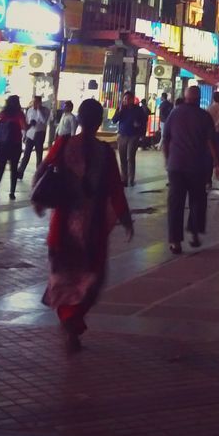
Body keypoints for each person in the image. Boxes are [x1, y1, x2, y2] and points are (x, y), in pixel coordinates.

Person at [38, 98, 133, 353]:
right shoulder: (105, 152)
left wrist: (38, 199)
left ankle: (69, 320)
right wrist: (124, 218)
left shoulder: (64, 143)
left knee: (63, 279)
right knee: (91, 280)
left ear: (79, 119)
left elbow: (43, 171)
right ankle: (73, 321)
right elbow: (115, 188)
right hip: (92, 230)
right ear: (99, 121)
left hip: (63, 227)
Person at [162, 85, 219, 253]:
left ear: (185, 97)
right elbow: (211, 142)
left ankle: (175, 241)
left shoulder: (174, 114)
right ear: (199, 98)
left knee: (175, 203)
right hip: (196, 166)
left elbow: (166, 139)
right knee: (197, 201)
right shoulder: (204, 116)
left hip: (176, 166)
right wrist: (217, 164)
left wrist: (167, 160)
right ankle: (194, 232)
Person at [0, 95, 25, 203]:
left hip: (1, 145)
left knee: (0, 170)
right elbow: (24, 127)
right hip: (15, 145)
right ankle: (12, 193)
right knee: (14, 169)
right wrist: (32, 124)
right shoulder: (19, 114)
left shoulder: (3, 113)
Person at [111, 91, 147, 187]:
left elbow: (143, 122)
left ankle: (131, 179)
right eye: (125, 99)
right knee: (122, 158)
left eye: (128, 99)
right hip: (122, 135)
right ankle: (124, 179)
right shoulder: (121, 109)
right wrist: (119, 111)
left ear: (132, 99)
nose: (126, 100)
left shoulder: (138, 110)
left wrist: (141, 132)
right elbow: (114, 120)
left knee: (130, 157)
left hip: (133, 136)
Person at [17, 95, 50, 180]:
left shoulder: (45, 110)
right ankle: (20, 172)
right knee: (26, 154)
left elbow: (43, 121)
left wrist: (38, 110)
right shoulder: (29, 111)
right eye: (33, 102)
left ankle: (39, 174)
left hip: (40, 134)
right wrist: (24, 135)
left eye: (36, 102)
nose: (34, 104)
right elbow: (26, 122)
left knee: (39, 155)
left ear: (40, 102)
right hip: (30, 134)